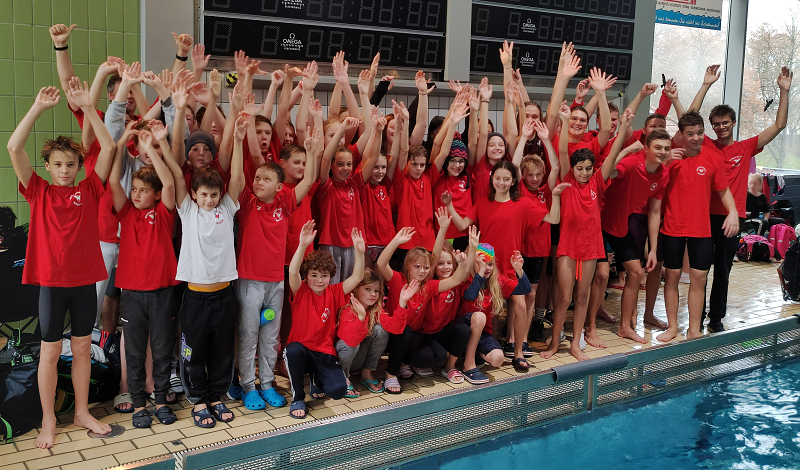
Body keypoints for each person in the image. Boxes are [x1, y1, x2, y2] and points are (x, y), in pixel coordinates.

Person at [9, 82, 115, 448]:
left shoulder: (89, 190)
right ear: (48, 166)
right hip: (52, 284)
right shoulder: (37, 190)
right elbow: (13, 147)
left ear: (79, 166)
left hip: (85, 281)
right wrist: (38, 107)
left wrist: (88, 108)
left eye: (71, 164)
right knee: (51, 351)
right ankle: (48, 419)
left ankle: (83, 411)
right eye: (58, 165)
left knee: (83, 346)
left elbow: (111, 147)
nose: (66, 170)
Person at [689, 65, 793, 332]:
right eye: (716, 124)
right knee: (700, 272)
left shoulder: (745, 147)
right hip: (703, 216)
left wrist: (784, 91)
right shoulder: (706, 145)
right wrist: (706, 85)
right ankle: (695, 319)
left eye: (725, 123)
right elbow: (689, 117)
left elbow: (779, 125)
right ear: (711, 127)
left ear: (733, 123)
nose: (720, 127)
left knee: (723, 271)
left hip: (731, 219)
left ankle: (716, 319)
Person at [168, 109, 249, 428]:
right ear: (193, 195)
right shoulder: (188, 212)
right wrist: (163, 144)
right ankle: (198, 400)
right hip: (196, 299)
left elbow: (239, 179)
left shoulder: (227, 209)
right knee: (194, 352)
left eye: (215, 195)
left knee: (221, 352)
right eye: (205, 195)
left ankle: (216, 396)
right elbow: (175, 174)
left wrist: (239, 142)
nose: (211, 200)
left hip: (224, 297)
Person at [444, 160, 566, 369]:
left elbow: (554, 219)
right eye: (498, 178)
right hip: (486, 268)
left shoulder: (523, 204)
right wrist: (449, 206)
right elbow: (463, 224)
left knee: (521, 304)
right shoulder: (483, 202)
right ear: (492, 179)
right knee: (489, 311)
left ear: (513, 181)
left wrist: (554, 196)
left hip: (510, 267)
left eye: (506, 179)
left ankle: (518, 352)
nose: (501, 182)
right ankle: (478, 349)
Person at [234, 123, 320, 411]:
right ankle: (248, 385)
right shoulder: (246, 201)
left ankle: (267, 382)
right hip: (249, 281)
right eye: (257, 177)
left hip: (276, 281)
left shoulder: (284, 203)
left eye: (265, 179)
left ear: (279, 187)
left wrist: (312, 151)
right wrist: (237, 141)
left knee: (271, 336)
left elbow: (308, 181)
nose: (258, 182)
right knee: (248, 335)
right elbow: (238, 175)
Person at [109, 121, 179, 428]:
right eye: (134, 190)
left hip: (163, 293)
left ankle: (160, 399)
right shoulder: (127, 212)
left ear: (156, 194)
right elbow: (113, 183)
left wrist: (151, 147)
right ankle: (139, 404)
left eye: (143, 191)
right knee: (135, 352)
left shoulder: (164, 214)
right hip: (133, 295)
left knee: (163, 351)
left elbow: (171, 184)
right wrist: (125, 141)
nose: (136, 195)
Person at [540, 94, 618, 362]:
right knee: (564, 297)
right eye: (580, 168)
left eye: (588, 168)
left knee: (583, 297)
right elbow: (562, 152)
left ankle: (576, 343)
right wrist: (562, 123)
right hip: (568, 245)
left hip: (591, 246)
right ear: (572, 168)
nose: (584, 172)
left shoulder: (597, 181)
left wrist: (626, 130)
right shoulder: (567, 180)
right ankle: (554, 342)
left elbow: (612, 151)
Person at [658, 111, 739, 342]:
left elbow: (723, 191)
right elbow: (651, 184)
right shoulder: (671, 159)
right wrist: (664, 164)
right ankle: (672, 327)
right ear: (681, 135)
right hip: (673, 226)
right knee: (671, 276)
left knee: (699, 277)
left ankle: (694, 329)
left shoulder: (713, 159)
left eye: (700, 133)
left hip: (701, 228)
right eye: (690, 134)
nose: (696, 138)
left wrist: (732, 211)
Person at [598, 109, 671, 344]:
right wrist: (627, 150)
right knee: (600, 276)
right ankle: (592, 325)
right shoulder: (631, 163)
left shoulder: (663, 174)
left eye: (666, 149)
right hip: (601, 219)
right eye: (657, 147)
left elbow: (654, 211)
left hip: (620, 222)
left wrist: (652, 248)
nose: (662, 152)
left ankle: (625, 326)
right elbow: (605, 173)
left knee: (636, 272)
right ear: (646, 148)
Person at [375, 226, 477, 393]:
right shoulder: (397, 279)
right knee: (405, 331)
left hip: (413, 335)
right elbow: (381, 263)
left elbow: (456, 280)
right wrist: (396, 241)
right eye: (417, 267)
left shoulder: (428, 286)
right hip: (393, 332)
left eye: (426, 268)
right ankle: (390, 374)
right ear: (408, 266)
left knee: (433, 358)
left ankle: (404, 361)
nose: (422, 271)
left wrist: (466, 257)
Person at [285, 222, 366, 419]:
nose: (319, 280)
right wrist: (302, 245)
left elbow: (356, 278)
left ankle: (316, 379)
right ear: (306, 277)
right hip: (301, 350)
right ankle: (298, 397)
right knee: (293, 349)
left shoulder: (334, 292)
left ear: (331, 276)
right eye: (313, 276)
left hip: (324, 352)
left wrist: (360, 252)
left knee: (338, 391)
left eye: (324, 275)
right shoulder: (301, 290)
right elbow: (292, 272)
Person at [512, 119, 559, 343]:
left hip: (539, 251)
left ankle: (523, 337)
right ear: (523, 175)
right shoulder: (520, 190)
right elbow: (513, 165)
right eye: (529, 175)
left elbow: (556, 168)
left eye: (537, 175)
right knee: (517, 295)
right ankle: (512, 337)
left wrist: (547, 141)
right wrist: (523, 137)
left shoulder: (545, 192)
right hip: (520, 250)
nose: (533, 179)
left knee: (531, 295)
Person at [334, 270, 390, 396]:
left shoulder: (375, 310)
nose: (373, 294)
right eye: (368, 289)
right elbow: (350, 342)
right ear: (356, 289)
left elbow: (395, 327)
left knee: (381, 330)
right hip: (341, 360)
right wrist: (361, 317)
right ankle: (343, 376)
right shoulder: (346, 310)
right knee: (350, 342)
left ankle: (366, 374)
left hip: (358, 360)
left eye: (376, 291)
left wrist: (403, 304)